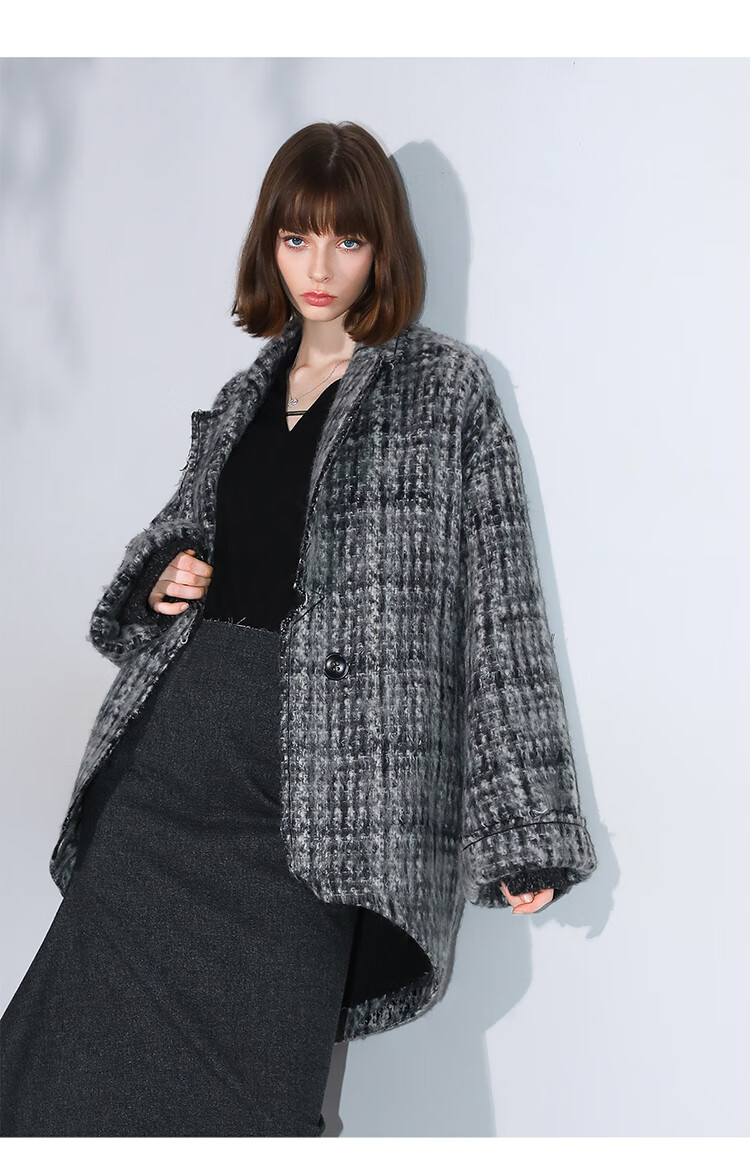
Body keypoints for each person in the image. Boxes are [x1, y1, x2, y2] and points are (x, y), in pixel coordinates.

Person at [0, 121, 598, 1137]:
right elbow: (176, 540)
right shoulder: (242, 398)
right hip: (174, 778)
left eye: (346, 240)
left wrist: (526, 826)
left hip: (321, 806)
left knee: (261, 1102)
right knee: (63, 1072)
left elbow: (502, 613)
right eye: (296, 239)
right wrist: (162, 577)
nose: (319, 269)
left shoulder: (445, 393)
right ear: (268, 246)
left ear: (382, 248)